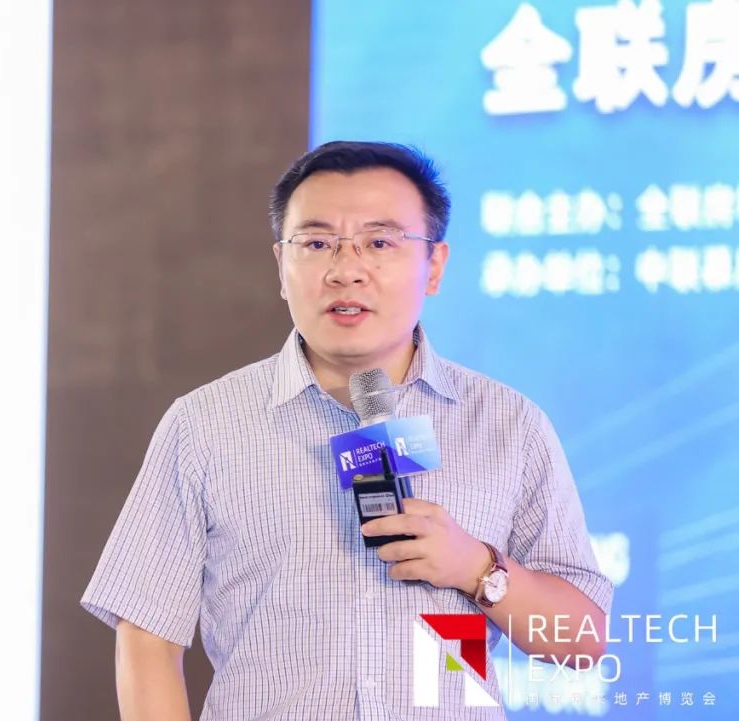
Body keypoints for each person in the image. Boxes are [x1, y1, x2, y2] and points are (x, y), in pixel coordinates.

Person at [81, 141, 613, 720]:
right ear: (281, 267)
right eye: (316, 244)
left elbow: (582, 642)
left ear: (434, 266)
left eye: (380, 243)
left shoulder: (508, 424)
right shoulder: (204, 425)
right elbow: (147, 637)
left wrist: (477, 569)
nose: (346, 270)